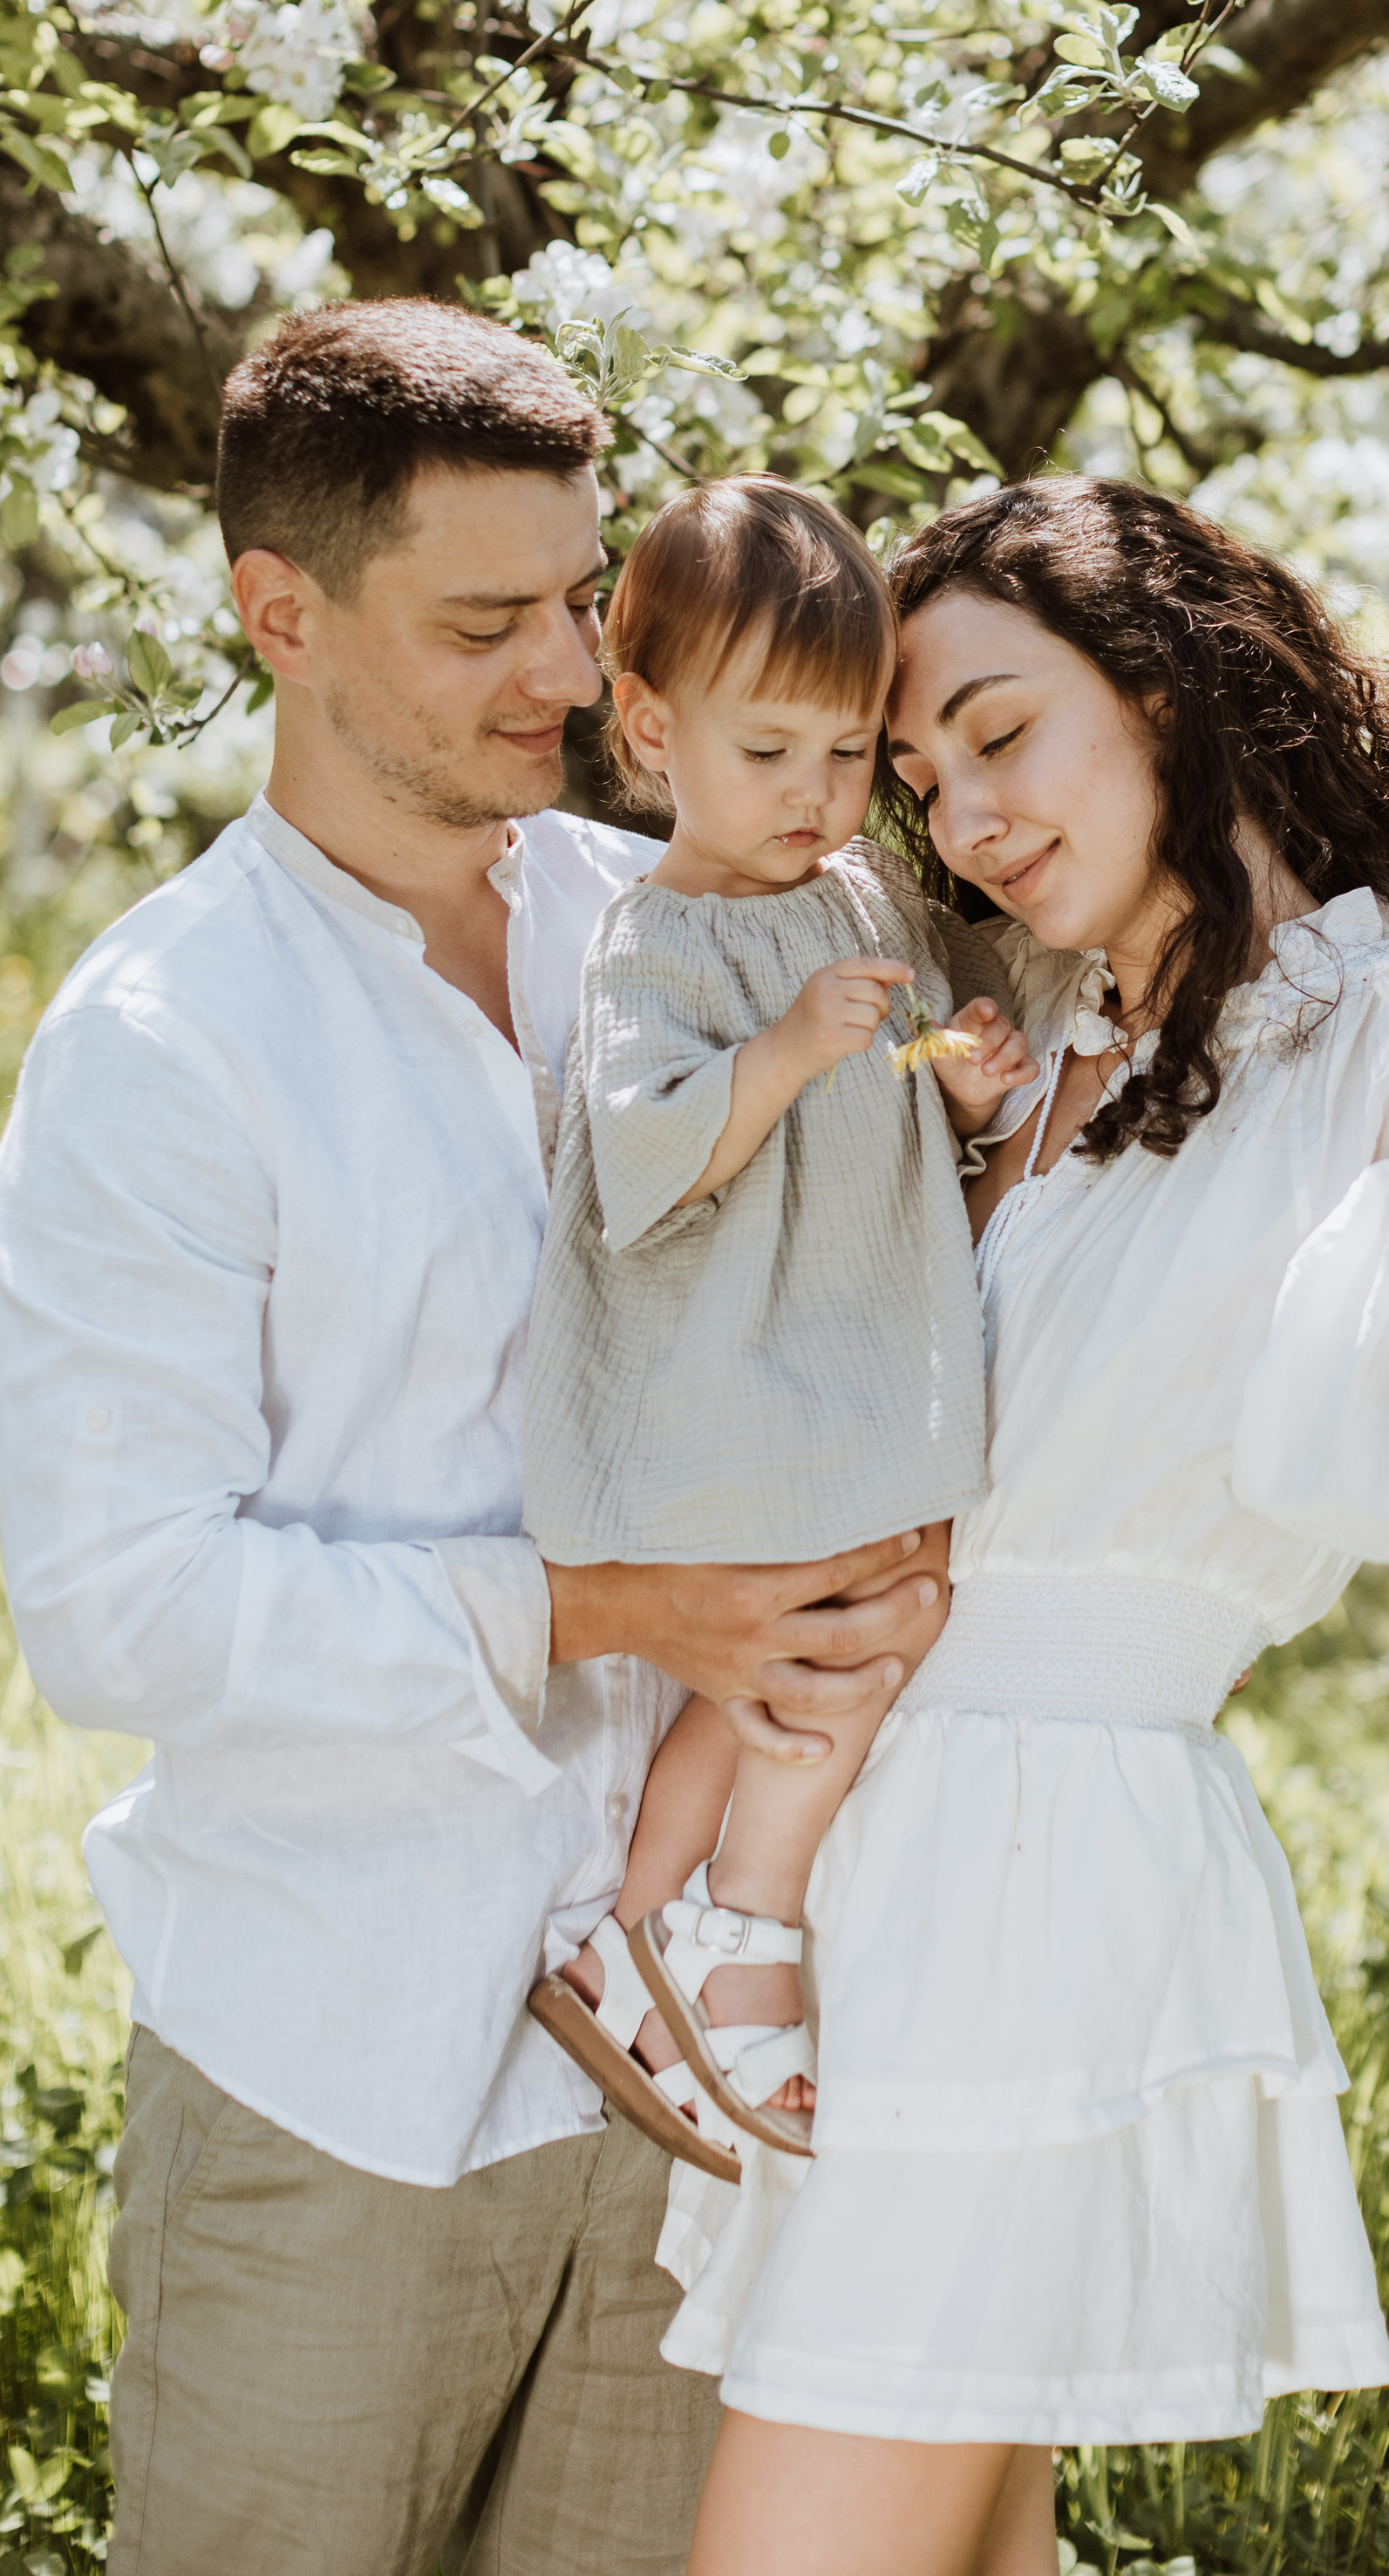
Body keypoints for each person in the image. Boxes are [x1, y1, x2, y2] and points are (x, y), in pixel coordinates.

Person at [0, 300, 945, 2576]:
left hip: (701, 2063)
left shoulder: (685, 920)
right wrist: (616, 1612)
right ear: (280, 614)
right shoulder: (163, 1041)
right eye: (486, 619)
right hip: (340, 2070)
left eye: (583, 600)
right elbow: (116, 1605)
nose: (567, 670)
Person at [657, 474, 1389, 2576]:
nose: (965, 815)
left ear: (1172, 689)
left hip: (1035, 1879)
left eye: (999, 733)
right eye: (920, 779)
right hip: (882, 1865)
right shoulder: (1075, 1047)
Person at [521, 480, 1036, 2165]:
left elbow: (898, 1100)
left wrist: (957, 1087)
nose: (817, 796)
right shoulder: (655, 939)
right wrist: (788, 1052)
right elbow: (644, 1157)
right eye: (770, 754)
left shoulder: (864, 901)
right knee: (862, 1634)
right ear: (653, 727)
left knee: (761, 1680)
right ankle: (746, 1929)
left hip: (842, 1363)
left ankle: (626, 1938)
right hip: (735, 1377)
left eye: (844, 754)